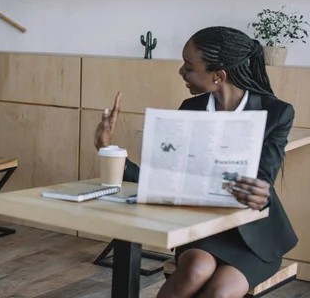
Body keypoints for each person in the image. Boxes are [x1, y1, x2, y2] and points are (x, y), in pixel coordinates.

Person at [94, 26, 297, 298]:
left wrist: (260, 193)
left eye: (188, 66)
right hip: (202, 229)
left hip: (254, 236)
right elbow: (161, 182)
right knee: (194, 271)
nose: (181, 72)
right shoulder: (190, 109)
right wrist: (107, 148)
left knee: (220, 292)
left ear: (218, 75)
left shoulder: (276, 112)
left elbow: (264, 183)